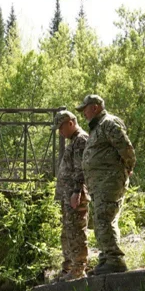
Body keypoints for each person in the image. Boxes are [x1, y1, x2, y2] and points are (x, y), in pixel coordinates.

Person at [76, 94, 136, 276]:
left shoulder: (108, 123)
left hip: (110, 182)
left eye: (85, 109)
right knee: (101, 219)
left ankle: (115, 260)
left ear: (95, 107)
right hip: (99, 184)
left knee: (104, 217)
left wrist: (127, 168)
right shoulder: (97, 128)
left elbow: (126, 148)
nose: (83, 114)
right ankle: (106, 258)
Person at [53, 109, 90, 280]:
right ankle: (69, 267)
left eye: (61, 128)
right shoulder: (74, 141)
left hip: (75, 195)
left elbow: (80, 169)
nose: (60, 132)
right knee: (68, 231)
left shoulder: (81, 140)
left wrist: (76, 191)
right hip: (69, 195)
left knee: (76, 231)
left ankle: (78, 269)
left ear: (71, 123)